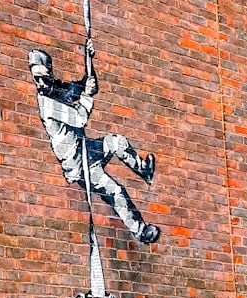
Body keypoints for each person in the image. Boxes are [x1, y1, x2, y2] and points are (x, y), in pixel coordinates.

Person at [28, 42, 160, 244]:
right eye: (36, 79)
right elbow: (80, 118)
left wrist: (88, 61)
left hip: (86, 150)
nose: (40, 83)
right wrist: (86, 95)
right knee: (115, 190)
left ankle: (144, 171)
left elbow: (89, 87)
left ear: (50, 74)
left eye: (43, 78)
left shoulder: (57, 89)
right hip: (79, 166)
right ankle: (141, 231)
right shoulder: (47, 104)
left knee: (116, 142)